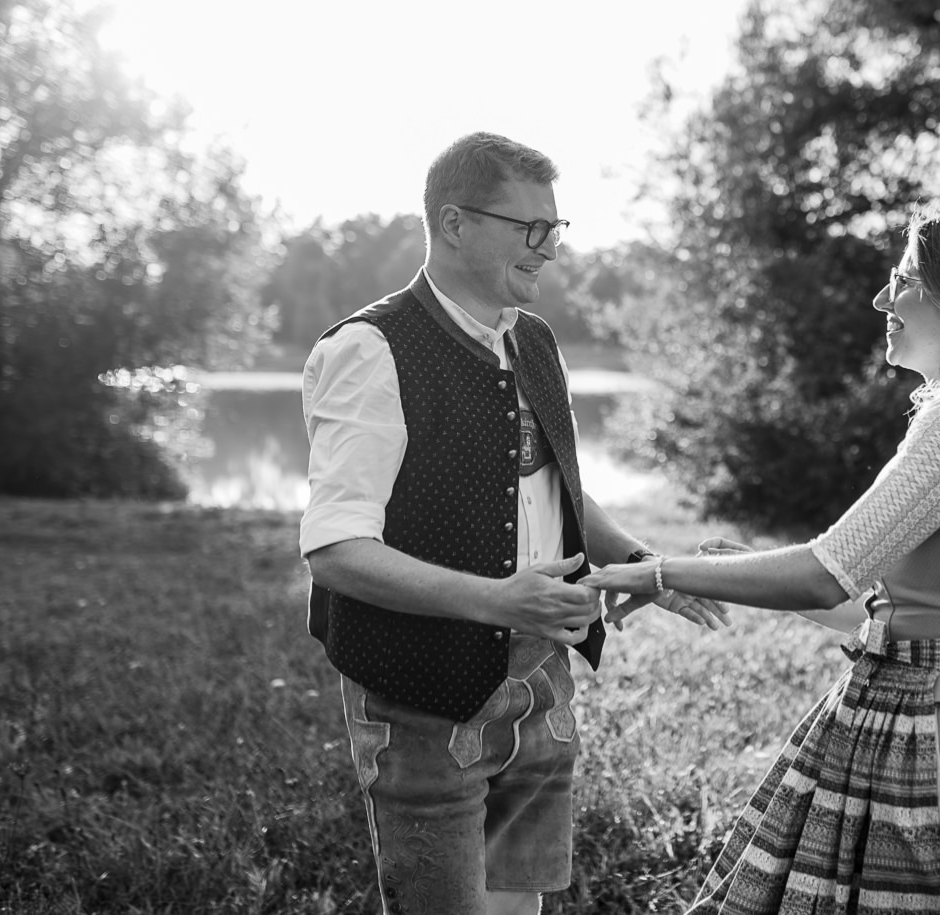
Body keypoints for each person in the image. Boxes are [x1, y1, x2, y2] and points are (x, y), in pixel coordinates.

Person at [585, 197, 940, 914]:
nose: (883, 297)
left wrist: (658, 569)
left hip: (927, 736)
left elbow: (826, 574)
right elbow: (907, 618)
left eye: (907, 280)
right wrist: (746, 570)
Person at [299, 131, 727, 915]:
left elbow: (559, 489)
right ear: (454, 223)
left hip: (541, 679)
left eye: (554, 229)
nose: (548, 249)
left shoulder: (534, 340)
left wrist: (644, 565)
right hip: (418, 690)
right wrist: (501, 600)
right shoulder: (370, 350)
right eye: (529, 228)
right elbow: (336, 551)